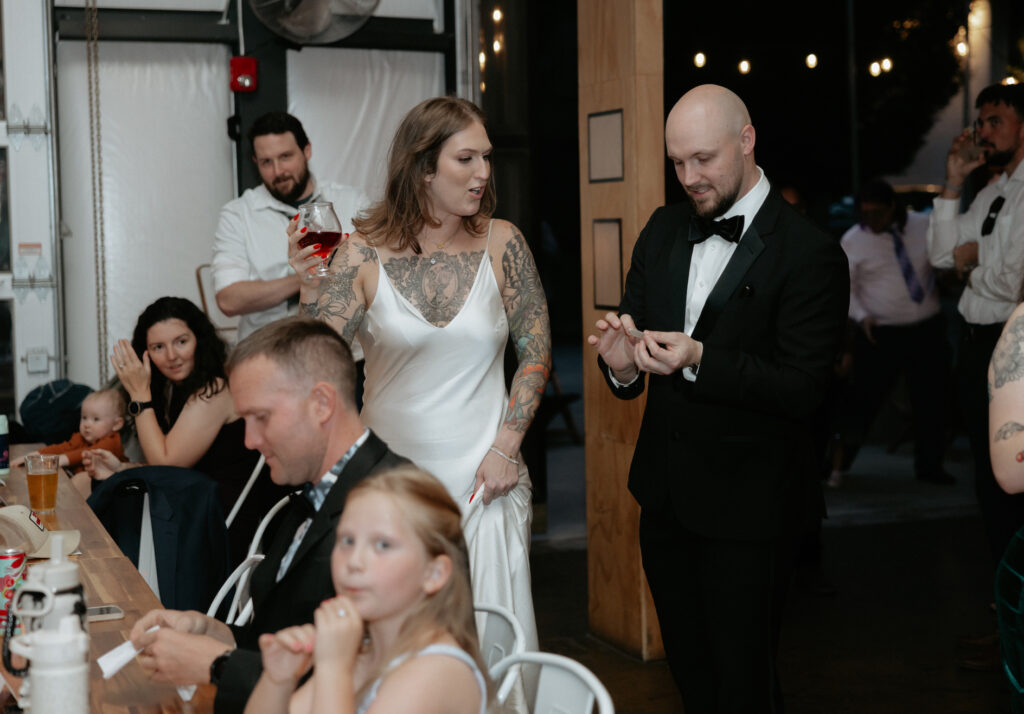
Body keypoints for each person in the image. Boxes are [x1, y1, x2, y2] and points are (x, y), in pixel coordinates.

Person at [587, 84, 848, 713]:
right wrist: (622, 367)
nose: (690, 177)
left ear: (748, 139)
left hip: (752, 507)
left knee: (744, 680)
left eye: (703, 158)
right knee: (692, 673)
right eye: (677, 163)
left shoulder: (810, 252)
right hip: (666, 499)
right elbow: (638, 344)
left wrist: (703, 360)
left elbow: (804, 388)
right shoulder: (662, 228)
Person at [290, 96, 550, 668]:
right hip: (394, 485)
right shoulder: (359, 253)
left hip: (489, 481)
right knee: (399, 652)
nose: (483, 173)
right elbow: (316, 367)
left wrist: (507, 448)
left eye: (486, 158)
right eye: (466, 159)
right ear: (423, 167)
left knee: (492, 650)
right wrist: (310, 287)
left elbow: (535, 352)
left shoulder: (504, 243)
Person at [127, 317, 406, 714]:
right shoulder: (307, 494)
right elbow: (278, 641)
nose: (249, 440)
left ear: (322, 404)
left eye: (261, 418)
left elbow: (371, 682)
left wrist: (215, 663)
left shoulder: (397, 507)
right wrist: (209, 630)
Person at [245, 465, 491, 714]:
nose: (354, 561)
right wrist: (278, 681)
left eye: (383, 544)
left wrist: (333, 669)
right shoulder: (361, 653)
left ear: (433, 574)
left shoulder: (437, 671)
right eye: (347, 541)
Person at [90, 297, 287, 564]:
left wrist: (139, 394)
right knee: (102, 491)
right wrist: (123, 468)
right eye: (158, 347)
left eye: (181, 342)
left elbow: (167, 464)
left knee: (114, 511)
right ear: (145, 354)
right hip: (190, 508)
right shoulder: (171, 389)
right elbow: (169, 462)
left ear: (199, 340)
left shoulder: (213, 390)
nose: (172, 356)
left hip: (220, 523)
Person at [926, 83, 1024, 570]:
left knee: (1010, 482)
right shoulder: (991, 190)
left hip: (1009, 351)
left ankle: (1013, 609)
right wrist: (951, 181)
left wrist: (971, 265)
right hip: (974, 348)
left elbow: (1011, 284)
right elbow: (942, 254)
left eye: (994, 121)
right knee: (988, 481)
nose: (981, 132)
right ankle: (1005, 606)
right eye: (980, 122)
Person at [212, 112, 369, 341]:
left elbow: (377, 270)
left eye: (285, 156)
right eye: (266, 162)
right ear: (255, 162)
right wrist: (304, 277)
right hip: (270, 355)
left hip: (346, 349)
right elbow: (228, 299)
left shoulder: (351, 201)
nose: (278, 171)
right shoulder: (237, 214)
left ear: (307, 151)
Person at [838, 179, 951, 486]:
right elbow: (844, 290)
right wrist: (862, 317)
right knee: (863, 402)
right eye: (865, 214)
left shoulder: (923, 225)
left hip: (926, 328)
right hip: (880, 333)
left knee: (931, 401)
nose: (870, 221)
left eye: (877, 213)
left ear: (892, 208)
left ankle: (930, 468)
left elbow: (942, 259)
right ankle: (837, 465)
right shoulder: (853, 240)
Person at [13, 388, 126, 471]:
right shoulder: (80, 438)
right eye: (84, 417)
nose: (87, 424)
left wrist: (59, 460)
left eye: (96, 419)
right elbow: (62, 448)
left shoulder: (112, 442)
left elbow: (85, 453)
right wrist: (34, 455)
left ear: (116, 424)